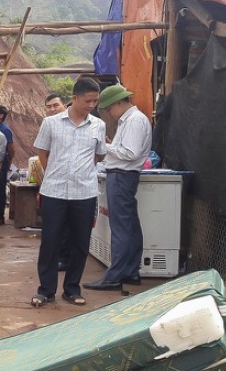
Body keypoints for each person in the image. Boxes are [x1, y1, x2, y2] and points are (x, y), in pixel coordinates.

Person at [30, 78, 106, 308]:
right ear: (74, 98)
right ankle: (46, 290)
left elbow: (99, 155)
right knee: (50, 242)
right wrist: (54, 172)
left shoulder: (98, 125)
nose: (91, 105)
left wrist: (82, 171)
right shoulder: (51, 123)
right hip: (54, 191)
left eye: (95, 101)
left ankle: (72, 289)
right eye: (88, 100)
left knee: (80, 244)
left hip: (84, 193)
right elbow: (42, 152)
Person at [84, 84, 152, 291]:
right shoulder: (131, 120)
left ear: (119, 103)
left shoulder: (134, 121)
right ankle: (130, 270)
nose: (109, 114)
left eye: (108, 109)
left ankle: (114, 276)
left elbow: (130, 153)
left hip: (122, 176)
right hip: (124, 176)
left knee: (120, 227)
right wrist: (112, 145)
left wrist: (105, 146)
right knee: (129, 225)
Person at [43, 93, 72, 271]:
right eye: (49, 107)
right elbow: (42, 152)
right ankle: (60, 257)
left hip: (74, 183)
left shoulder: (76, 124)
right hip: (54, 182)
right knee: (56, 223)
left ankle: (67, 258)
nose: (52, 109)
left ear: (65, 105)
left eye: (56, 105)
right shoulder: (48, 125)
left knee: (69, 223)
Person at [0, 105, 15, 224]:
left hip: (1, 162)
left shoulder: (4, 130)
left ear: (0, 116)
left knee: (0, 189)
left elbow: (11, 149)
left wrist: (8, 163)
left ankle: (0, 216)